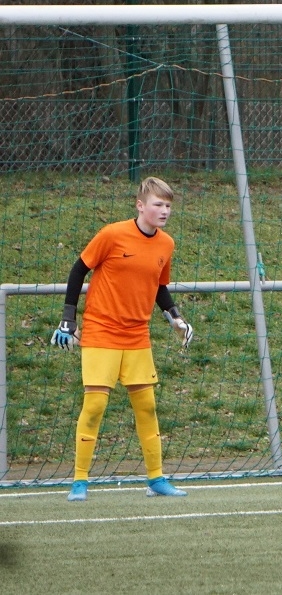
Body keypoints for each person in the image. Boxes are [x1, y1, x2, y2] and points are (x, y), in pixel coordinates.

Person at [51, 177, 194, 502]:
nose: (164, 210)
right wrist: (68, 318)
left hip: (137, 336)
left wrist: (176, 317)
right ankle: (79, 481)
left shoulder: (166, 244)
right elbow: (78, 270)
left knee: (147, 406)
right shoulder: (112, 234)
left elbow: (159, 286)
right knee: (95, 405)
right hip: (101, 331)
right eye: (158, 204)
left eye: (168, 205)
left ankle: (156, 479)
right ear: (140, 205)